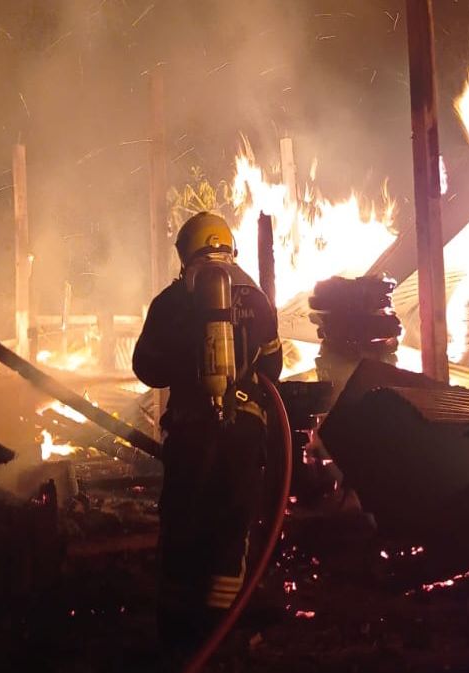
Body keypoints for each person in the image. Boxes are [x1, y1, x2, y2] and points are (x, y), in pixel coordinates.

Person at [133, 211, 282, 655]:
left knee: (183, 525)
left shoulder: (170, 301)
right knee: (231, 528)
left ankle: (179, 638)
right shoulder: (256, 298)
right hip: (243, 434)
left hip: (190, 434)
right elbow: (273, 367)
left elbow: (146, 368)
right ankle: (222, 634)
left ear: (186, 253)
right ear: (229, 247)